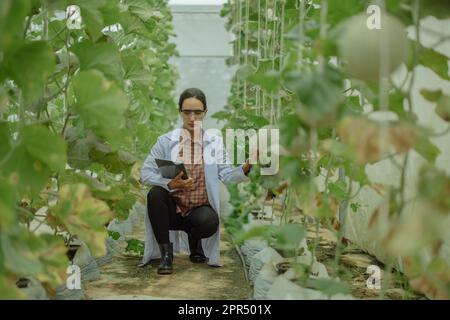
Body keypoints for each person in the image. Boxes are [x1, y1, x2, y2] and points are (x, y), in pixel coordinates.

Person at [139, 88, 253, 275]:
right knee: (155, 194)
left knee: (209, 222)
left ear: (205, 113)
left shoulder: (214, 143)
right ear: (180, 112)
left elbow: (226, 174)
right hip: (172, 210)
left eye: (197, 112)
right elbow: (145, 173)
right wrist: (170, 184)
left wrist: (245, 167)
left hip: (198, 210)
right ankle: (166, 254)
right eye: (187, 112)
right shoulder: (165, 141)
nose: (192, 118)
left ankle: (194, 240)